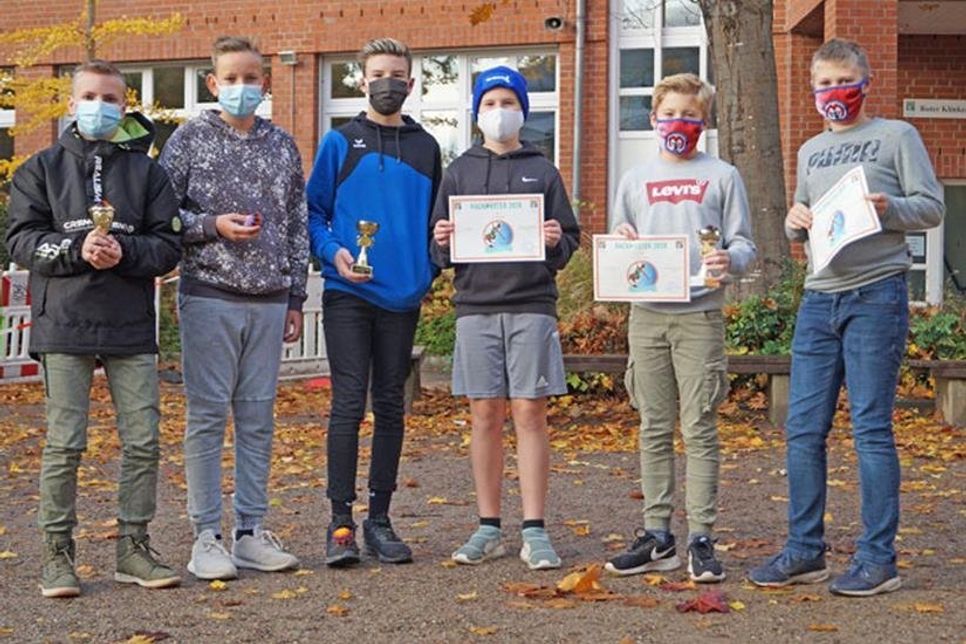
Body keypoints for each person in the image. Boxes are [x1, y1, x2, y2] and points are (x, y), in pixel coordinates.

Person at [749, 38, 944, 597]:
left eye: (843, 82)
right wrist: (794, 221)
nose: (834, 93)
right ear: (813, 90)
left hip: (876, 295)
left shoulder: (896, 136)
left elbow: (932, 207)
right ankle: (804, 551)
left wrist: (890, 208)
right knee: (803, 429)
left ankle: (878, 560)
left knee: (871, 428)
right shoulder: (810, 150)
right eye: (824, 84)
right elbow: (802, 222)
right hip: (819, 299)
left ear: (865, 83)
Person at [5, 60, 183, 597]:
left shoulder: (148, 173)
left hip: (130, 324)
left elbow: (168, 245)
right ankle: (57, 554)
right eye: (89, 96)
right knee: (65, 443)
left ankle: (133, 547)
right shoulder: (40, 168)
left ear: (125, 106)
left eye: (110, 98)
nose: (99, 106)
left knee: (144, 441)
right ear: (71, 104)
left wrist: (122, 251)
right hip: (64, 322)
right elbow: (21, 240)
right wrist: (76, 249)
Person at [159, 36, 309, 580]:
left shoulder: (282, 145)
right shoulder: (188, 140)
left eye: (251, 78)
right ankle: (206, 535)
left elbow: (296, 222)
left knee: (257, 419)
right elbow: (162, 216)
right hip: (209, 295)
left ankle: (249, 531)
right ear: (212, 83)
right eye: (231, 78)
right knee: (205, 419)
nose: (242, 87)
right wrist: (211, 226)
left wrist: (296, 296)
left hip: (269, 301)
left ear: (265, 82)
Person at [605, 73, 757, 583]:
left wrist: (730, 261)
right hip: (647, 314)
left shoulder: (723, 175)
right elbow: (621, 238)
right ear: (653, 119)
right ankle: (658, 535)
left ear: (704, 121)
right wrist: (621, 239)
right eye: (669, 114)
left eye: (689, 116)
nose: (678, 123)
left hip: (699, 314)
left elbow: (745, 244)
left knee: (699, 426)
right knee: (652, 425)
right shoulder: (634, 179)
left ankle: (702, 538)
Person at [431, 66, 580, 570]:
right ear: (477, 113)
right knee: (483, 414)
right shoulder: (459, 171)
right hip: (475, 307)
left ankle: (535, 528)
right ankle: (488, 526)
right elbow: (438, 249)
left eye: (508, 103)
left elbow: (570, 240)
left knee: (530, 412)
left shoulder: (544, 170)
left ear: (522, 111)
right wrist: (443, 240)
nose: (500, 112)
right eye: (490, 104)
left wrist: (556, 239)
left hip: (531, 304)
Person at [306, 37, 441, 567]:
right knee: (347, 403)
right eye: (379, 73)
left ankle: (379, 520)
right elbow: (313, 212)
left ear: (411, 83)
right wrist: (333, 253)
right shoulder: (339, 142)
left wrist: (428, 270)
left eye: (398, 75)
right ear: (362, 81)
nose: (389, 83)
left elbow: (437, 222)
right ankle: (340, 522)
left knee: (390, 405)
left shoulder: (427, 147)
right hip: (349, 291)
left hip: (402, 297)